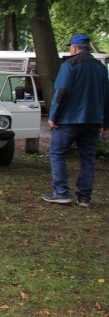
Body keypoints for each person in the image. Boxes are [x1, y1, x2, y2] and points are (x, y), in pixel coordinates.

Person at [41, 34, 109, 207]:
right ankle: (84, 197)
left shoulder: (69, 64)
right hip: (93, 120)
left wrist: (53, 117)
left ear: (73, 48)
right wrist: (106, 122)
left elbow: (62, 92)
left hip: (69, 120)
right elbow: (107, 97)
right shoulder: (101, 68)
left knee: (57, 153)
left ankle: (61, 192)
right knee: (88, 157)